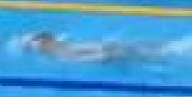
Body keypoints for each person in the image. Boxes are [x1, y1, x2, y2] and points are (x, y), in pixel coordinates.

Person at [21, 31, 151, 64]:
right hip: (108, 55)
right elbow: (93, 58)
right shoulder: (62, 53)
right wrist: (106, 55)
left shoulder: (62, 49)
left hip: (107, 51)